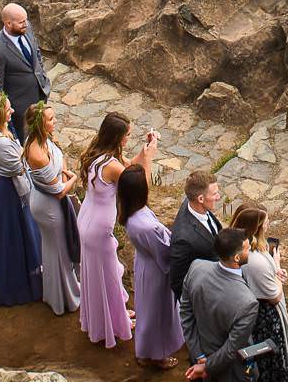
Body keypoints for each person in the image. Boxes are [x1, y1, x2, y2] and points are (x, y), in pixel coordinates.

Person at [76, 112, 155, 349]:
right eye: (127, 136)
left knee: (101, 274)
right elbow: (140, 188)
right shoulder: (110, 166)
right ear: (118, 137)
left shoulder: (100, 154)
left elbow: (130, 167)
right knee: (107, 275)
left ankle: (114, 312)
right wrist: (150, 158)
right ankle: (111, 323)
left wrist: (144, 150)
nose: (128, 140)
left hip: (87, 219)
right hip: (98, 229)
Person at [182, 226, 262, 382]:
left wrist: (200, 355)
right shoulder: (247, 302)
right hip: (234, 370)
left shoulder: (197, 267)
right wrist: (206, 366)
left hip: (205, 354)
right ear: (237, 258)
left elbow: (186, 312)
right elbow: (232, 348)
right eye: (246, 248)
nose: (249, 249)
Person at [0, 92, 43, 307]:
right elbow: (21, 167)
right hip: (10, 190)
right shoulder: (0, 143)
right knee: (14, 232)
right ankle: (17, 284)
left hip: (0, 180)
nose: (12, 111)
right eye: (8, 110)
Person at [167, 170, 225, 382]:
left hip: (211, 287)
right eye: (214, 193)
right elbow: (177, 280)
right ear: (200, 199)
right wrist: (198, 305)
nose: (218, 196)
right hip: (201, 300)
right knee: (199, 346)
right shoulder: (184, 237)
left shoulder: (199, 209)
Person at [235, 206, 288, 382]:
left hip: (257, 311)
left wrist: (275, 271)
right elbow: (275, 297)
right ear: (257, 227)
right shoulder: (256, 260)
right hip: (265, 319)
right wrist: (277, 275)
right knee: (271, 363)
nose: (269, 224)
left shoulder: (254, 249)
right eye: (266, 221)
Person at [117, 164, 181, 367]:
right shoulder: (147, 226)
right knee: (157, 313)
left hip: (145, 264)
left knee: (147, 309)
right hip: (156, 270)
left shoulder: (130, 213)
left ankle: (145, 350)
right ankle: (155, 356)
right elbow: (164, 251)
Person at [22, 102, 81, 315]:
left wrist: (63, 172)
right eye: (50, 119)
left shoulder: (43, 140)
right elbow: (58, 191)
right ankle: (64, 298)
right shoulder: (36, 152)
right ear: (39, 124)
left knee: (55, 249)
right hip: (48, 206)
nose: (54, 121)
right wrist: (73, 178)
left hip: (50, 201)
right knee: (59, 251)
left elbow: (59, 158)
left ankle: (58, 293)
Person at [0, 2, 51, 141]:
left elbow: (36, 51)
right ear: (8, 24)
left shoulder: (26, 27)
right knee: (28, 140)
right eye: (21, 22)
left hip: (40, 92)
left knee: (43, 131)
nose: (25, 24)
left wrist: (41, 73)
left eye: (25, 20)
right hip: (21, 108)